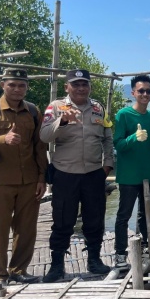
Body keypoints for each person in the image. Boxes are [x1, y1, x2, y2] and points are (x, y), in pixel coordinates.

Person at [0, 68, 48, 285]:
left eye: (21, 85)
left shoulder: (33, 111)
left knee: (26, 230)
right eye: (12, 85)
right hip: (0, 181)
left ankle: (19, 270)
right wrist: (1, 140)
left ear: (27, 87)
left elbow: (39, 147)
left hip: (29, 181)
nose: (17, 89)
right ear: (3, 85)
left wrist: (42, 177)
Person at [40, 69, 114, 282]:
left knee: (95, 218)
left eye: (84, 84)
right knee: (62, 220)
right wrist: (61, 121)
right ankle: (56, 265)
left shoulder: (98, 108)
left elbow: (107, 138)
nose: (81, 88)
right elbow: (44, 136)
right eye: (76, 84)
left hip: (93, 173)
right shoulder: (55, 107)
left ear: (89, 86)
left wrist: (107, 164)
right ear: (67, 87)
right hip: (65, 173)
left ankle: (94, 260)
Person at [112, 75, 150, 268]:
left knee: (145, 214)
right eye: (141, 91)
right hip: (129, 175)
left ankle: (144, 248)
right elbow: (118, 144)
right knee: (124, 215)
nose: (145, 94)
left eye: (148, 91)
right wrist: (133, 138)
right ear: (133, 93)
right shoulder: (123, 115)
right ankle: (120, 253)